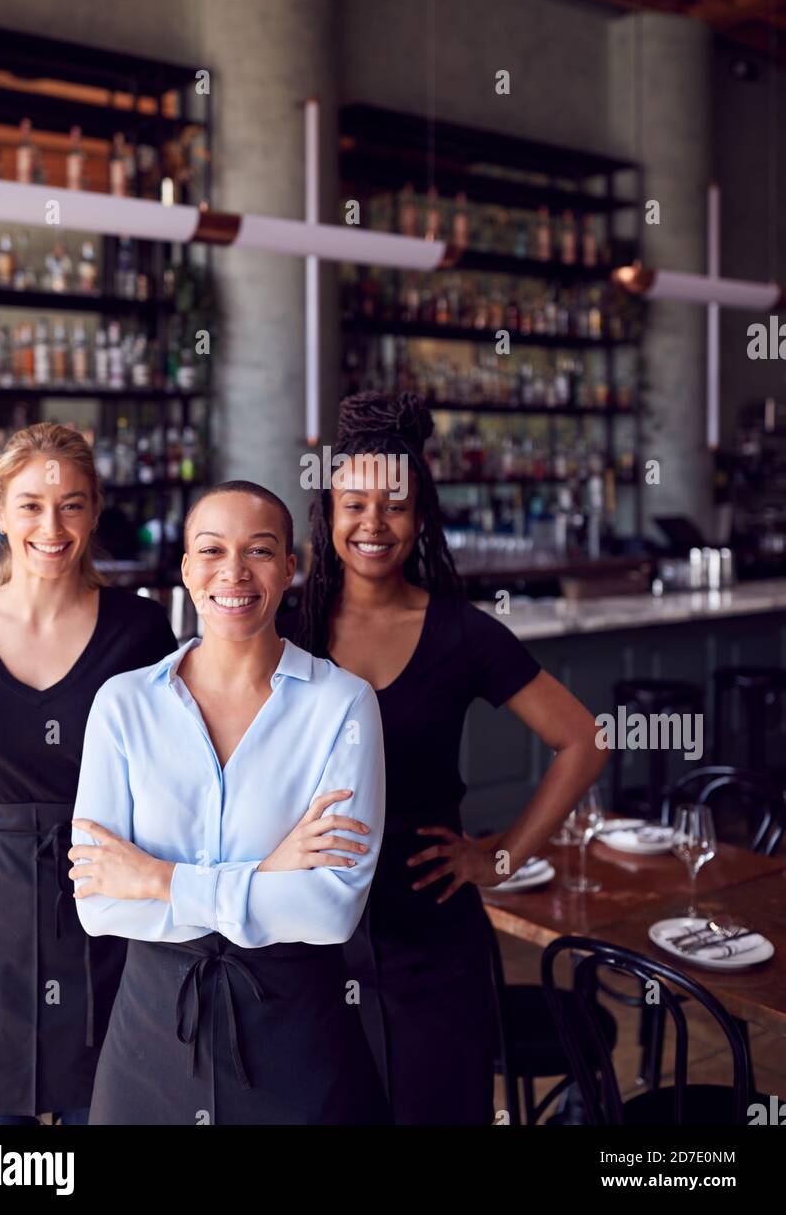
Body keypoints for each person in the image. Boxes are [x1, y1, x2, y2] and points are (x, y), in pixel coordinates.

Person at [290, 392, 608, 1125]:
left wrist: (498, 860)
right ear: (327, 515)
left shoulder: (462, 633)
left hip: (429, 939)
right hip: (305, 938)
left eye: (394, 507)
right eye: (354, 504)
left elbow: (584, 740)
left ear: (421, 517)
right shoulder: (285, 626)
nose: (373, 524)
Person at [68, 481, 388, 1125]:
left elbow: (329, 912)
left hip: (299, 1033)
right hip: (152, 1034)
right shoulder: (124, 704)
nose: (233, 573)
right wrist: (269, 875)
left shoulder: (343, 705)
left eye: (260, 551)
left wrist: (158, 880)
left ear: (291, 567)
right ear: (187, 569)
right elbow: (100, 905)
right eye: (211, 550)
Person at [0, 423, 177, 1126]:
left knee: (116, 1103)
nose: (51, 524)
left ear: (95, 512)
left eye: (71, 504)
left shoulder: (140, 630)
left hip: (108, 894)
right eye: (31, 504)